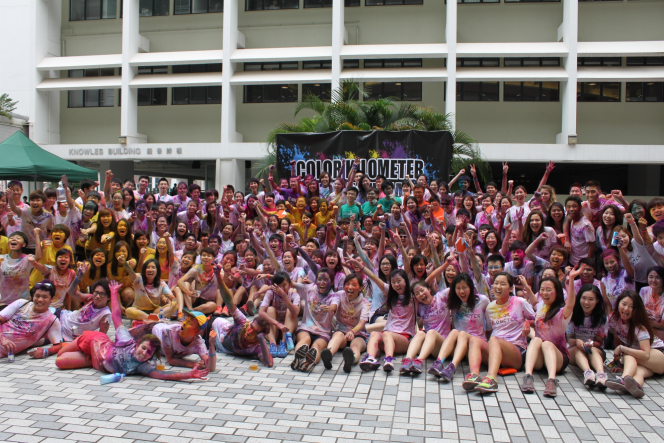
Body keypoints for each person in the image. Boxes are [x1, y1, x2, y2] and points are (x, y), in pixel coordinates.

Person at [55, 280, 209, 381]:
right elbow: (116, 317)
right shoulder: (126, 340)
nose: (144, 353)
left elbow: (164, 374)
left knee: (60, 362)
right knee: (60, 356)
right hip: (94, 341)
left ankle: (87, 357)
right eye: (143, 348)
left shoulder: (143, 366)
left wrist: (189, 374)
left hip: (94, 362)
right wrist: (114, 293)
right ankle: (60, 346)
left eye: (148, 353)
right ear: (137, 344)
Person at [520, 267, 580, 397]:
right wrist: (526, 285)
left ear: (557, 292)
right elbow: (534, 301)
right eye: (542, 290)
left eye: (549, 290)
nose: (544, 293)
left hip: (559, 358)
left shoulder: (562, 312)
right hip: (540, 358)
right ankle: (528, 376)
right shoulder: (541, 306)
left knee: (546, 343)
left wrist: (572, 280)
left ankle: (551, 380)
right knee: (536, 339)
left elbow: (570, 304)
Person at [472, 273, 536, 393]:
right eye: (496, 283)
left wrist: (528, 323)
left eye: (503, 284)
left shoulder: (520, 302)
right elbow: (489, 330)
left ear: (511, 288)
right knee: (475, 339)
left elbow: (538, 320)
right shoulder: (490, 308)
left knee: (495, 340)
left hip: (516, 352)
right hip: (495, 349)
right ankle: (474, 375)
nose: (498, 286)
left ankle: (491, 378)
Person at [428, 273, 490, 382]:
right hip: (460, 347)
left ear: (471, 287)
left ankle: (453, 367)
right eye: (458, 288)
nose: (461, 291)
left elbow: (489, 325)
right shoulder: (454, 301)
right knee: (455, 332)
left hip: (476, 345)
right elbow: (429, 286)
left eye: (464, 287)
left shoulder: (482, 300)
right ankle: (439, 362)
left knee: (461, 333)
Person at [210, 265, 273, 367]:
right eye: (251, 327)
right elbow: (229, 301)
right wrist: (218, 276)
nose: (250, 331)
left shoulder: (257, 346)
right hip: (215, 329)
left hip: (222, 347)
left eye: (255, 332)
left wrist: (262, 340)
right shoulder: (243, 322)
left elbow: (269, 363)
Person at [606, 290, 664, 398]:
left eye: (631, 306)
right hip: (647, 364)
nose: (626, 309)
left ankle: (623, 379)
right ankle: (635, 386)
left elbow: (645, 354)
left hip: (658, 355)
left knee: (628, 353)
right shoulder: (614, 320)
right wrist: (618, 363)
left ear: (636, 309)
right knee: (638, 372)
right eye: (624, 304)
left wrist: (623, 349)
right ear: (618, 303)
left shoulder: (640, 327)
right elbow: (618, 340)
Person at [290, 268, 340, 372]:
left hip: (323, 332)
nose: (322, 282)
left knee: (316, 346)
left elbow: (335, 306)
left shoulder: (334, 296)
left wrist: (329, 308)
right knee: (305, 340)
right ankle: (298, 358)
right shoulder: (310, 288)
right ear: (315, 280)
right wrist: (270, 276)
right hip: (306, 328)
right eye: (319, 279)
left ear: (331, 282)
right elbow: (292, 283)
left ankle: (309, 362)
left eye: (325, 279)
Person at [0, 280, 63, 359]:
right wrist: (3, 339)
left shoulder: (52, 321)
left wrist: (45, 352)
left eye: (44, 297)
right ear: (33, 296)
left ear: (52, 299)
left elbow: (58, 345)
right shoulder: (21, 304)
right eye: (37, 296)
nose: (40, 299)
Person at [320, 273, 370, 373]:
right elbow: (334, 304)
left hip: (358, 334)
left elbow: (361, 323)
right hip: (342, 332)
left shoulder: (365, 303)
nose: (350, 287)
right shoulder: (339, 295)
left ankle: (351, 360)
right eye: (348, 284)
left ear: (360, 288)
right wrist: (329, 308)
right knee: (337, 334)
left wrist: (352, 332)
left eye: (354, 285)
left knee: (355, 346)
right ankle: (328, 355)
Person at [567, 284, 609, 388]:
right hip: (575, 351)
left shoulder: (602, 318)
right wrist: (577, 341)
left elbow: (599, 342)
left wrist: (592, 344)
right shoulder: (572, 315)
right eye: (584, 298)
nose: (586, 302)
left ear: (597, 300)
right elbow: (569, 339)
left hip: (595, 352)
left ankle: (601, 374)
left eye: (591, 299)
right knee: (577, 349)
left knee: (593, 349)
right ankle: (588, 373)